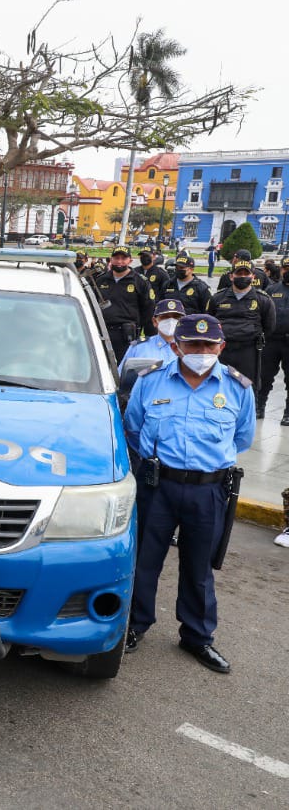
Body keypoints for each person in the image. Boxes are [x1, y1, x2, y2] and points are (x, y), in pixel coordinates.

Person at [123, 314, 255, 673]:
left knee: (199, 568)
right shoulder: (150, 381)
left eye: (208, 345)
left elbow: (242, 438)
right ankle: (134, 626)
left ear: (221, 347)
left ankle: (197, 637)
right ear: (177, 346)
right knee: (144, 561)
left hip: (208, 491)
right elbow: (133, 429)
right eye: (193, 345)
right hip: (157, 485)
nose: (201, 351)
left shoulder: (238, 387)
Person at [209, 260, 275, 411]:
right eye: (239, 273)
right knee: (218, 384)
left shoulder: (263, 300)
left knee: (247, 387)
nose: (243, 276)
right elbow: (210, 321)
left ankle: (246, 416)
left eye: (246, 273)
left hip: (248, 351)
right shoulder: (218, 298)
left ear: (253, 276)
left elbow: (269, 327)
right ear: (231, 276)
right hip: (222, 351)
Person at [94, 246, 154, 362]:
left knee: (123, 370)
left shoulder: (140, 281)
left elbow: (149, 308)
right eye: (116, 258)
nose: (119, 262)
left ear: (130, 260)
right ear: (111, 260)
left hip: (126, 335)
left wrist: (136, 325)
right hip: (102, 332)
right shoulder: (101, 280)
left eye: (123, 258)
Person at [257, 257, 289, 425]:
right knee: (265, 376)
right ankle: (259, 406)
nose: (288, 271)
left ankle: (288, 413)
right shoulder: (271, 289)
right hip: (272, 340)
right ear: (282, 269)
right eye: (286, 268)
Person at [120, 299, 186, 373]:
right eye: (165, 317)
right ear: (155, 321)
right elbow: (122, 378)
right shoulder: (138, 348)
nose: (171, 321)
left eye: (176, 317)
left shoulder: (192, 348)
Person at [135, 249, 170, 324]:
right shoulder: (134, 272)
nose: (144, 257)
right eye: (142, 255)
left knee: (151, 334)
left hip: (153, 311)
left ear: (154, 256)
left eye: (147, 255)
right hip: (136, 309)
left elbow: (166, 292)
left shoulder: (161, 273)